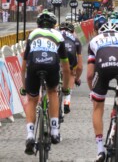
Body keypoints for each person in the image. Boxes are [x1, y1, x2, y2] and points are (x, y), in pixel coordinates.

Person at [20, 9, 71, 155]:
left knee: (31, 99)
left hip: (34, 64)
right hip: (51, 64)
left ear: (38, 24)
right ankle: (55, 131)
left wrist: (24, 87)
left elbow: (24, 66)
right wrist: (66, 89)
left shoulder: (32, 35)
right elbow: (66, 69)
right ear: (54, 24)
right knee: (52, 91)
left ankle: (30, 135)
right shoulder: (58, 36)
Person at [87, 21, 118, 162]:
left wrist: (93, 91)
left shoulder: (94, 41)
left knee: (98, 106)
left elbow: (90, 75)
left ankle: (100, 150)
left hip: (102, 67)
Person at [58, 22, 83, 114]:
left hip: (57, 51)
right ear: (72, 31)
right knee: (71, 73)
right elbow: (80, 67)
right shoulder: (76, 39)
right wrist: (77, 78)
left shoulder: (56, 34)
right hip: (70, 51)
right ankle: (67, 101)